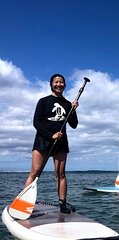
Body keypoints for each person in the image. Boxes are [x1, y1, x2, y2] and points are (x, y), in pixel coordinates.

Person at [24, 74, 79, 213]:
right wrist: (50, 135)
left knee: (61, 174)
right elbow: (36, 122)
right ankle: (23, 203)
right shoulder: (43, 101)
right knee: (35, 172)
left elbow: (74, 125)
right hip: (43, 139)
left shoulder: (67, 104)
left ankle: (62, 204)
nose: (59, 84)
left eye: (61, 82)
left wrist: (73, 111)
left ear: (64, 85)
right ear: (51, 84)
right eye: (56, 82)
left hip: (61, 142)